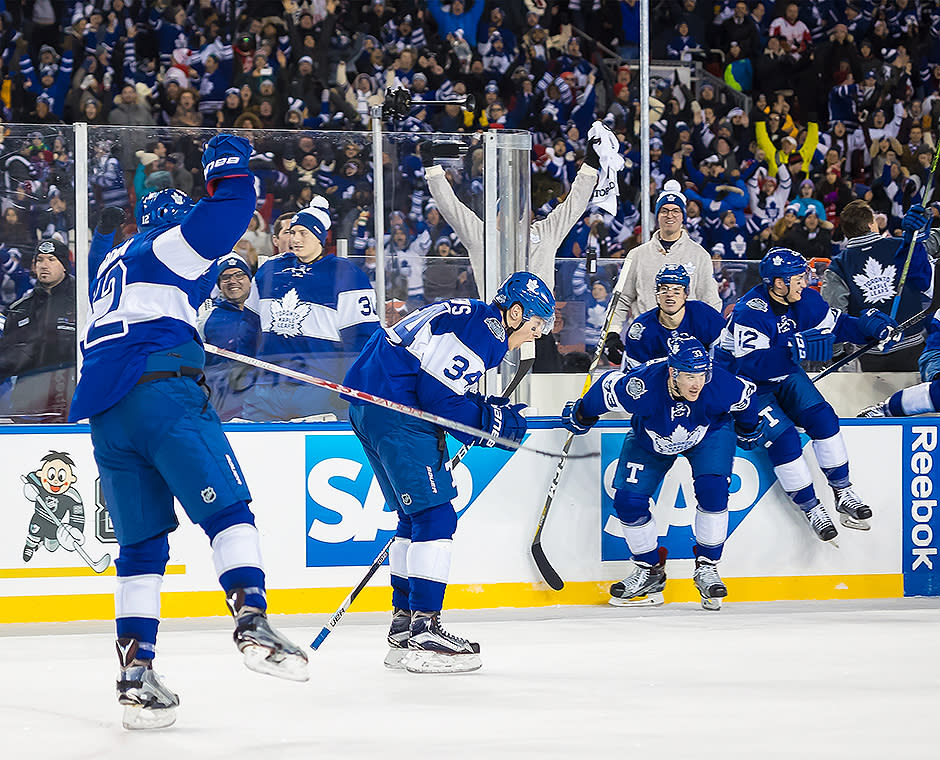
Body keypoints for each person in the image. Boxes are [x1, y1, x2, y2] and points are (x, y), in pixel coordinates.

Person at [69, 134, 308, 731]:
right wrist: (227, 161)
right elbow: (229, 211)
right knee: (230, 512)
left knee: (141, 549)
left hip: (108, 413)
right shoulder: (167, 248)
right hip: (161, 395)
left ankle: (136, 674)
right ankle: (252, 618)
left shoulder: (112, 266)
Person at [343, 272, 555, 673]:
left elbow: (442, 383)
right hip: (398, 414)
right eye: (536, 323)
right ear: (514, 313)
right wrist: (491, 425)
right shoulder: (485, 333)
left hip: (371, 407)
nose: (536, 334)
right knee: (435, 516)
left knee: (414, 518)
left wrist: (483, 409)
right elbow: (439, 399)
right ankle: (425, 631)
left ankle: (404, 628)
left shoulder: (471, 318)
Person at [561, 334, 763, 610]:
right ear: (672, 371)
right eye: (690, 376)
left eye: (701, 375)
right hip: (652, 439)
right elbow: (604, 391)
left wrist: (749, 428)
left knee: (713, 490)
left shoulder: (719, 383)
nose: (698, 383)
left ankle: (707, 566)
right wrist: (583, 414)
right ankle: (649, 571)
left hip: (709, 433)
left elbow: (746, 400)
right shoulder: (640, 385)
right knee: (627, 502)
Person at [715, 248, 899, 543]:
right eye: (798, 277)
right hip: (746, 385)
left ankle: (842, 491)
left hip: (785, 373)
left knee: (824, 417)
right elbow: (751, 365)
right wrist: (793, 350)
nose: (805, 281)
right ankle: (811, 507)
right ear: (777, 283)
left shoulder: (805, 299)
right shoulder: (751, 311)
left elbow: (838, 326)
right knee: (785, 439)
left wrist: (869, 329)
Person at [242, 196, 380, 421]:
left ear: (319, 237)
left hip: (320, 388)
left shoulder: (345, 274)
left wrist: (350, 386)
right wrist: (244, 374)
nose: (294, 238)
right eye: (291, 232)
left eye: (303, 233)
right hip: (267, 386)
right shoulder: (270, 271)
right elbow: (249, 329)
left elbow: (363, 339)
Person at [606, 180, 722, 363]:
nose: (670, 215)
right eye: (664, 210)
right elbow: (621, 298)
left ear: (683, 216)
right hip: (646, 342)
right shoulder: (636, 255)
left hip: (687, 347)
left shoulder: (700, 255)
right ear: (657, 215)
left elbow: (710, 303)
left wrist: (709, 338)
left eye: (675, 210)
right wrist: (611, 333)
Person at [821, 200, 931, 372]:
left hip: (869, 355)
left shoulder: (838, 266)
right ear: (871, 224)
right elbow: (924, 282)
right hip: (912, 348)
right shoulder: (902, 247)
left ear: (846, 231)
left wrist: (837, 354)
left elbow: (833, 314)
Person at [0, 238, 76, 422]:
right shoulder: (19, 309)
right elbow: (5, 361)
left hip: (71, 407)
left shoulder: (82, 303)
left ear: (64, 265)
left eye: (51, 259)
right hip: (27, 410)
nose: (44, 265)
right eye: (40, 260)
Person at [617, 263, 726, 369]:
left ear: (686, 294)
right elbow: (637, 376)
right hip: (659, 383)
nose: (669, 294)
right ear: (657, 294)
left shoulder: (705, 315)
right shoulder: (641, 329)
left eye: (676, 290)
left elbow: (724, 360)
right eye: (664, 289)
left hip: (702, 380)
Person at [196, 254, 261, 421]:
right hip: (222, 406)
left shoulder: (265, 313)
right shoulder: (206, 318)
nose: (233, 281)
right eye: (225, 277)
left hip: (262, 404)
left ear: (250, 279)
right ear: (219, 284)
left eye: (239, 275)